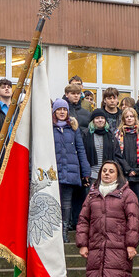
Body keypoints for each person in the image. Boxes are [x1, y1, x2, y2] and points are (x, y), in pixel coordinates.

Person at [77, 160, 139, 277]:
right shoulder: (92, 195)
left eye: (111, 171)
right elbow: (83, 221)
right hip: (97, 246)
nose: (106, 173)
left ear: (117, 174)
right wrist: (82, 244)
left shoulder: (127, 195)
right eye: (104, 170)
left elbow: (133, 221)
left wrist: (131, 244)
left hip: (118, 247)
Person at [52, 99, 91, 237]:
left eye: (64, 109)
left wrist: (85, 171)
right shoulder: (50, 128)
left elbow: (81, 150)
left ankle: (64, 231)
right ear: (54, 112)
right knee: (55, 201)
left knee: (67, 203)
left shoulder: (74, 129)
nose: (62, 112)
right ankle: (55, 231)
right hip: (54, 171)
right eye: (59, 109)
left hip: (71, 170)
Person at [115, 108, 139, 212]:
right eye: (127, 117)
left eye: (131, 116)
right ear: (123, 119)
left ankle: (138, 225)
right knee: (123, 204)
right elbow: (117, 155)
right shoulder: (118, 134)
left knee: (137, 204)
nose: (129, 119)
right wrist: (128, 170)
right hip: (124, 175)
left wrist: (137, 171)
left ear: (135, 118)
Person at [83, 109, 117, 182]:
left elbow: (116, 154)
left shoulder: (111, 136)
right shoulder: (86, 135)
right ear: (93, 120)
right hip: (91, 175)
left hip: (107, 176)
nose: (100, 120)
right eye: (97, 118)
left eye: (102, 118)